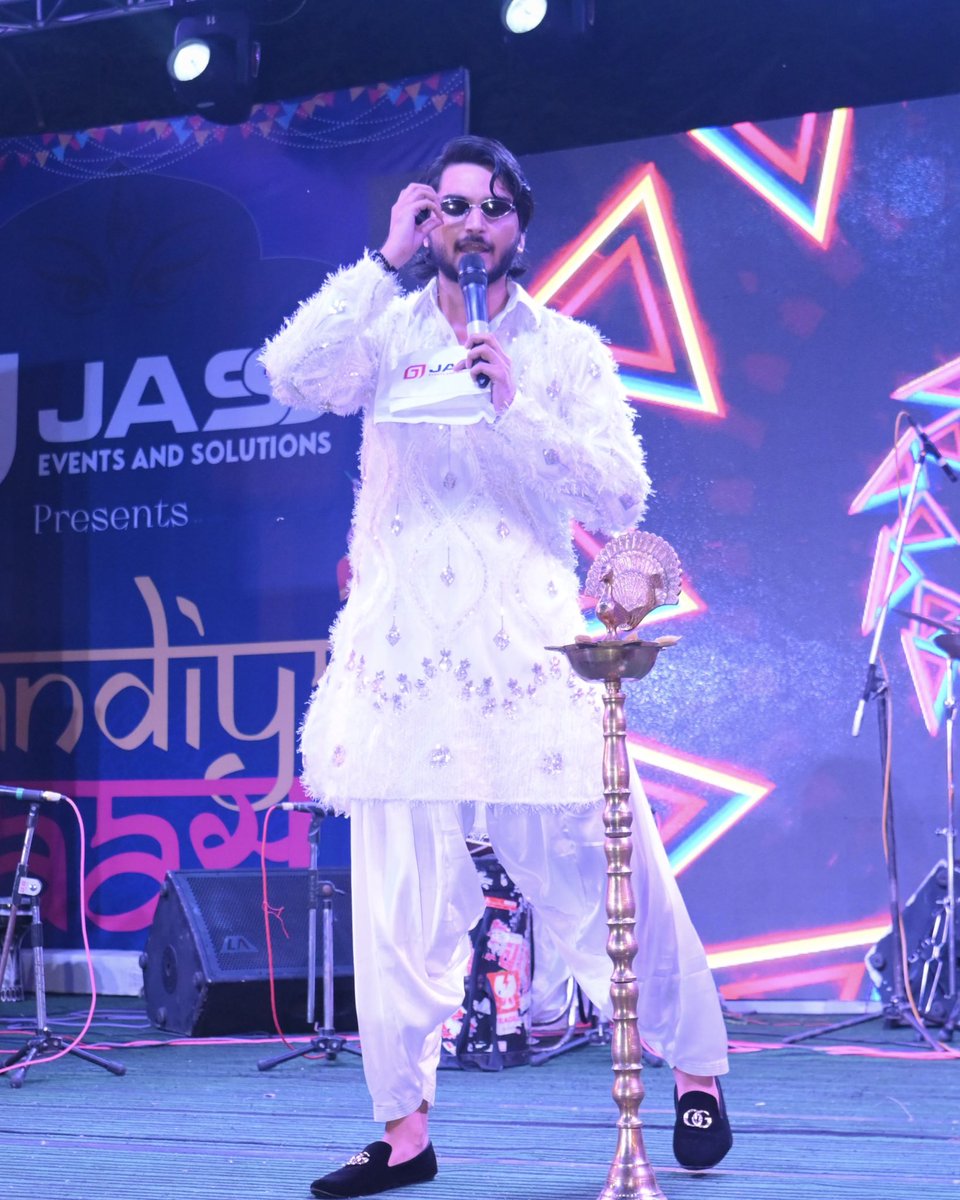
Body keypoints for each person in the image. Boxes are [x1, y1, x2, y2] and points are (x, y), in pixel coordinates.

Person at [261, 134, 732, 1198]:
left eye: (488, 208)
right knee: (395, 907)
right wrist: (381, 261)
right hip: (401, 662)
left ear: (520, 226)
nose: (466, 226)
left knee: (610, 871)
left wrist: (518, 401)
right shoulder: (381, 337)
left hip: (526, 656)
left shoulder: (566, 352)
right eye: (447, 208)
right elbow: (285, 375)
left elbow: (619, 497)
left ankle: (695, 1066)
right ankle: (406, 1135)